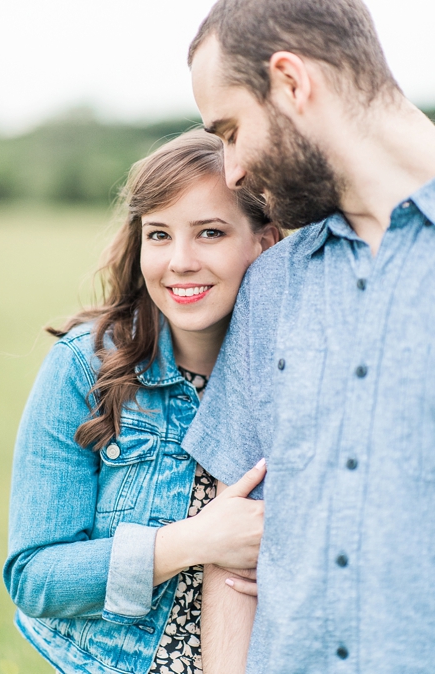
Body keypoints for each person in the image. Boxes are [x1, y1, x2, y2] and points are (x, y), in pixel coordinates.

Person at [182, 0, 435, 671]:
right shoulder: (272, 287)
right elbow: (232, 555)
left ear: (292, 82)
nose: (231, 172)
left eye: (232, 130)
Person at [4, 130, 281, 674]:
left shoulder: (301, 371)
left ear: (265, 242)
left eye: (210, 232)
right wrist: (195, 540)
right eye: (159, 234)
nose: (180, 261)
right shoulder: (85, 368)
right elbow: (34, 576)